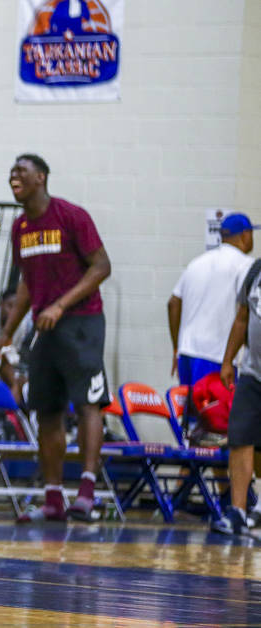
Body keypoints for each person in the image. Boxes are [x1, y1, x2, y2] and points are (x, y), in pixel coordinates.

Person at [0, 153, 112, 524]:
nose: (14, 176)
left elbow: (102, 266)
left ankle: (88, 494)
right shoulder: (20, 228)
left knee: (89, 404)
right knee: (46, 411)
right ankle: (53, 498)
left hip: (82, 322)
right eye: (12, 172)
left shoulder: (70, 216)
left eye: (22, 171)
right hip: (43, 327)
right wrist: (7, 333)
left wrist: (60, 305)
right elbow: (27, 283)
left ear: (41, 178)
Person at [168, 213, 256, 387]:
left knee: (192, 413)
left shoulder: (197, 262)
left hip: (187, 354)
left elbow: (173, 303)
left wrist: (176, 347)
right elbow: (246, 313)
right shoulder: (245, 265)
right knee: (217, 413)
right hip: (217, 357)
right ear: (245, 236)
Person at [214, 258, 261, 535]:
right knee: (240, 436)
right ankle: (238, 512)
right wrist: (227, 360)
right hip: (253, 372)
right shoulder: (255, 272)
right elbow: (242, 318)